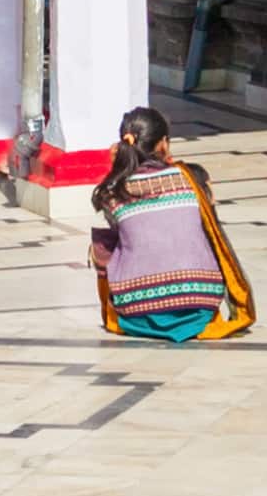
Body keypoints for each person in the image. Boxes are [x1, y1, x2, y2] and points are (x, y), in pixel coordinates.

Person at [89, 106, 255, 343]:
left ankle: (121, 311)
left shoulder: (112, 192)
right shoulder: (190, 177)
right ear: (163, 144)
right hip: (200, 309)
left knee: (106, 243)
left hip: (136, 314)